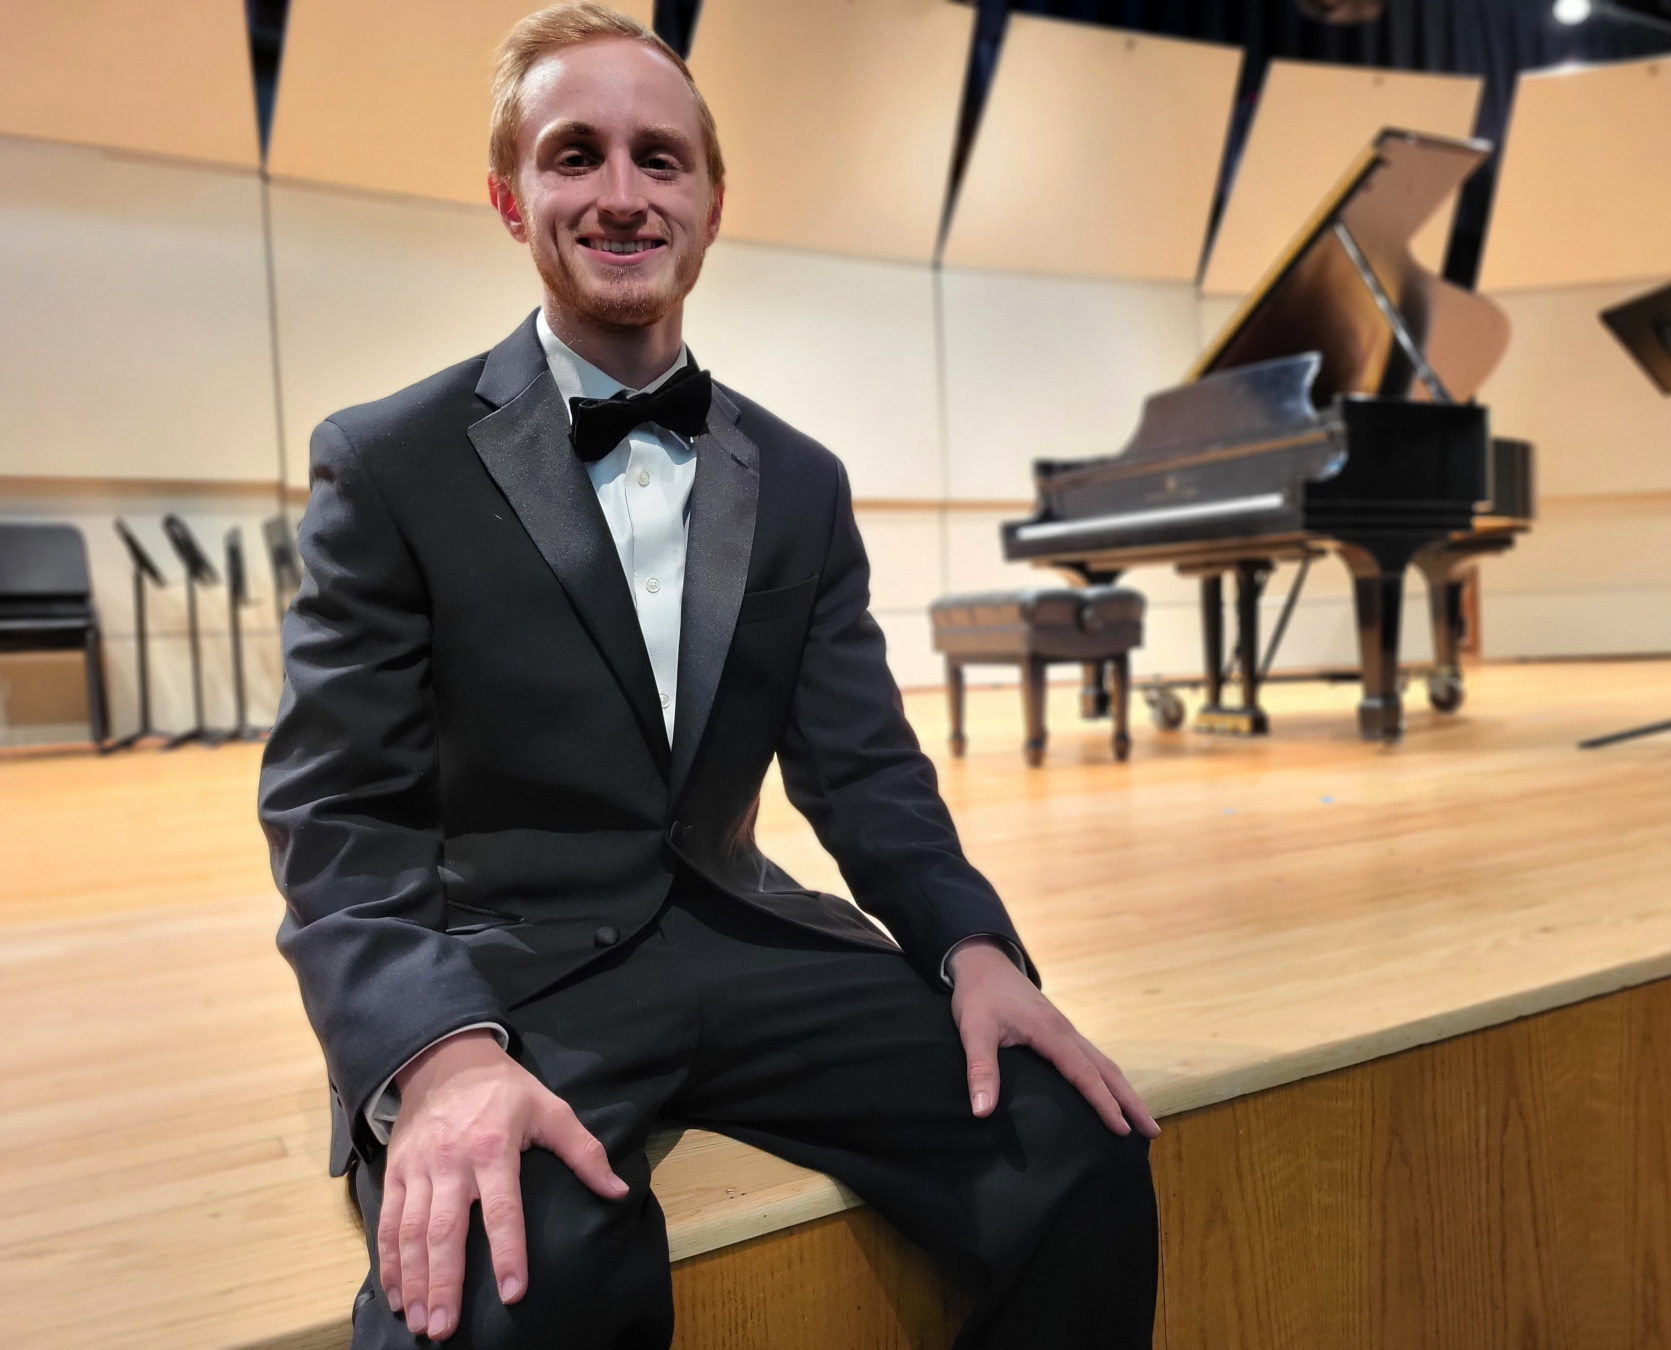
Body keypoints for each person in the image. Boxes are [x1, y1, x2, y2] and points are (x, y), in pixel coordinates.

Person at [258, 5, 1159, 1346]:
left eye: (659, 159)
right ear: (510, 197)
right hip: (509, 970)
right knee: (510, 1289)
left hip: (741, 934)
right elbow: (338, 818)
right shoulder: (388, 461)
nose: (621, 194)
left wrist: (974, 948)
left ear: (713, 200)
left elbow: (863, 771)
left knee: (1076, 1148)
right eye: (576, 156)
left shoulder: (798, 479)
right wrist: (441, 1056)